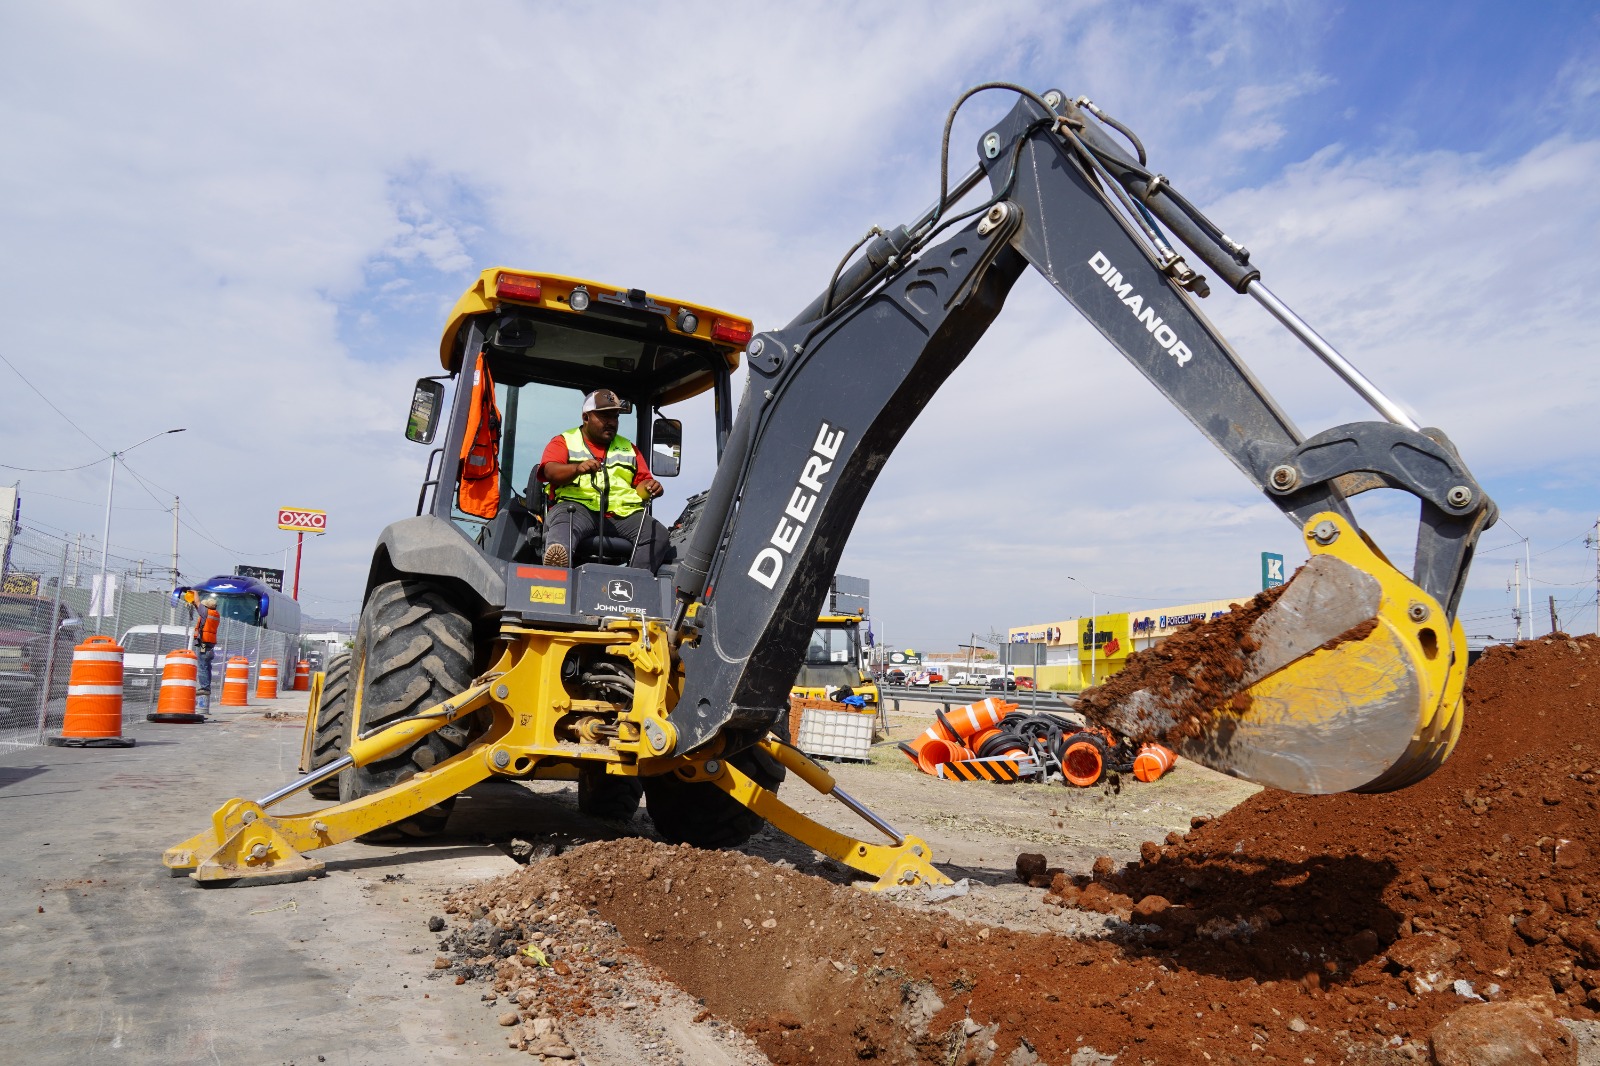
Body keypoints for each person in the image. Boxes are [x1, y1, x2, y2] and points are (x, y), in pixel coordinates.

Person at [537, 389, 669, 571]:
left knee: (657, 534)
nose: (612, 422)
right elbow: (551, 472)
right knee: (563, 525)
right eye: (605, 416)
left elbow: (641, 485)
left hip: (621, 516)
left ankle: (631, 582)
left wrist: (650, 487)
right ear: (586, 417)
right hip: (577, 509)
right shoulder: (563, 442)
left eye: (615, 417)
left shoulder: (629, 448)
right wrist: (576, 468)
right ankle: (557, 572)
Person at [190, 592, 219, 700]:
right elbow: (199, 609)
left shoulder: (206, 612)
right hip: (210, 643)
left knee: (202, 664)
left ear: (206, 607)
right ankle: (206, 686)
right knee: (207, 665)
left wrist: (195, 592)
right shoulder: (215, 614)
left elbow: (197, 602)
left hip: (203, 643)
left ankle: (205, 688)